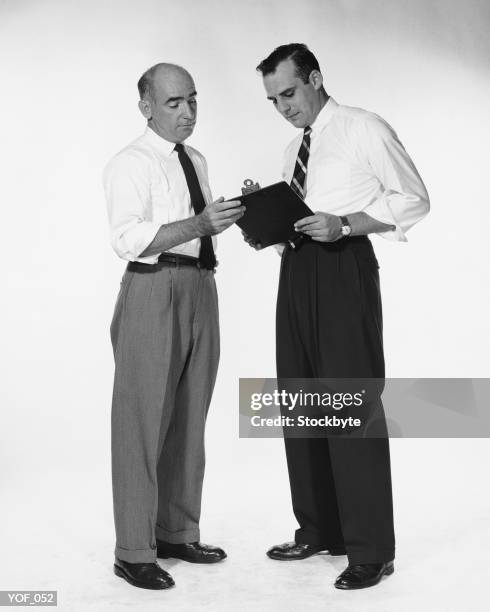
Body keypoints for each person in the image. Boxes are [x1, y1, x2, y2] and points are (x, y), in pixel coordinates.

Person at [246, 43, 429, 590]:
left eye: (289, 92)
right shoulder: (291, 150)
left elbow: (414, 197)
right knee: (300, 400)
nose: (283, 106)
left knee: (350, 404)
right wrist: (267, 219)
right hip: (297, 273)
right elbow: (297, 227)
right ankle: (319, 529)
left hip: (344, 264)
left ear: (316, 78)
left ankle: (371, 547)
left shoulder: (363, 127)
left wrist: (345, 225)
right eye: (273, 99)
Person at [103, 62, 244, 590]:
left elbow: (201, 226)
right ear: (146, 107)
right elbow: (126, 238)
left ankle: (177, 532)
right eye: (173, 103)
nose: (187, 113)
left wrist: (236, 211)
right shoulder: (129, 163)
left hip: (200, 286)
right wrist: (199, 224)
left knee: (189, 416)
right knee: (141, 421)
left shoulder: (196, 159)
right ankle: (133, 550)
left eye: (192, 100)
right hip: (151, 287)